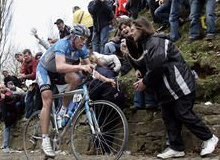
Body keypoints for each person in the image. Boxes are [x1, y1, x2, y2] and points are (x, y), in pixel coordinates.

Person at [129, 17, 218, 159]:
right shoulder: (147, 45)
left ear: (141, 28)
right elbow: (143, 65)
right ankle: (176, 148)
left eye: (132, 30)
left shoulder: (155, 41)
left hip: (179, 85)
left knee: (183, 113)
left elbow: (158, 66)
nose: (130, 33)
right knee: (169, 116)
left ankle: (209, 138)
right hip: (167, 90)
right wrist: (127, 54)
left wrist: (145, 82)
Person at [36, 24, 115, 158]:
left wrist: (105, 79)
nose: (84, 42)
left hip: (58, 72)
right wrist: (81, 66)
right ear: (73, 37)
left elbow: (90, 69)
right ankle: (45, 140)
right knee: (47, 99)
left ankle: (63, 110)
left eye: (86, 39)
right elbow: (60, 66)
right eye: (82, 39)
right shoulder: (62, 44)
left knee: (76, 79)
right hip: (45, 70)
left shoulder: (82, 49)